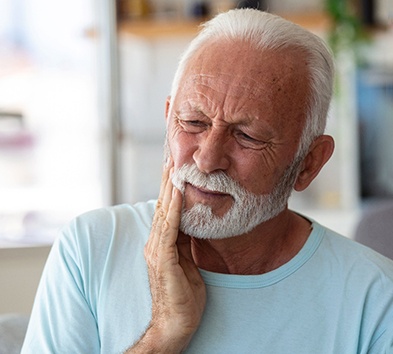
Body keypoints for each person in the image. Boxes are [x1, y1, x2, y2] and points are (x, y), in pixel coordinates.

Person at [22, 9, 393, 353]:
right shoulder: (91, 248)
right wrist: (163, 334)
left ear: (308, 163)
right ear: (169, 119)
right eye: (193, 123)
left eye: (247, 137)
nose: (207, 158)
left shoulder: (375, 298)